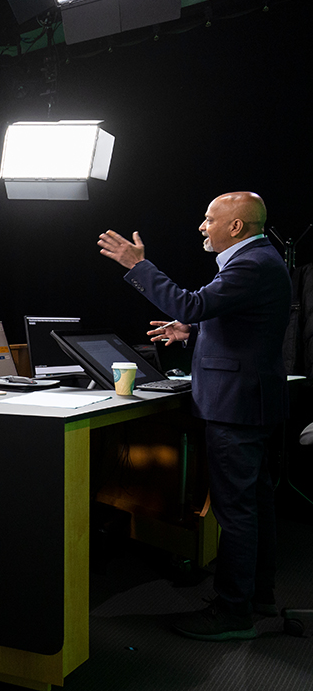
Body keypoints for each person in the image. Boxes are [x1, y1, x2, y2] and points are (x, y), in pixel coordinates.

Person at [97, 191, 290, 642]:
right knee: (255, 507)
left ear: (236, 226)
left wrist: (136, 265)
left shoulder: (251, 262)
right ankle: (256, 597)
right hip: (250, 403)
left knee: (237, 512)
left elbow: (192, 303)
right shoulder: (260, 260)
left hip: (236, 406)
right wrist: (194, 329)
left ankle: (233, 613)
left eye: (209, 219)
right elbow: (228, 317)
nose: (202, 227)